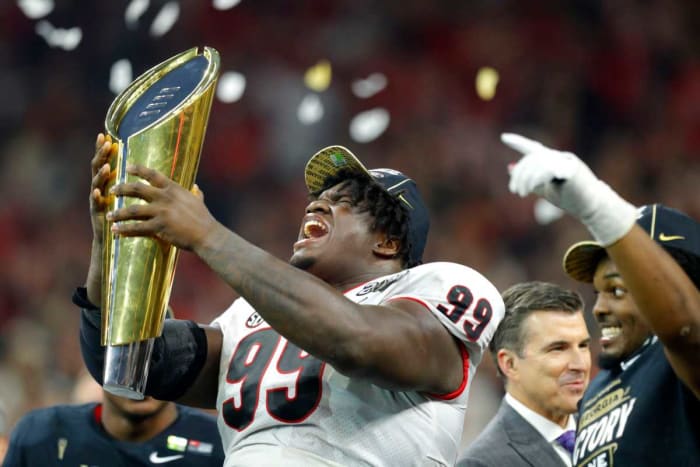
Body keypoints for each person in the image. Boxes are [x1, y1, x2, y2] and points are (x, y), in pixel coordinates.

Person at [76, 134, 505, 466]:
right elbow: (128, 366)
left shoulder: (438, 283)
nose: (318, 204)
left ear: (389, 243)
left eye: (345, 203)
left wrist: (207, 234)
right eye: (319, 198)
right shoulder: (251, 311)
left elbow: (357, 342)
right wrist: (113, 247)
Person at [502, 133, 700, 467]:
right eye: (598, 292)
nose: (598, 308)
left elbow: (684, 327)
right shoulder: (597, 389)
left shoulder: (683, 362)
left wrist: (598, 208)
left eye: (618, 290)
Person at [458, 281, 590, 467]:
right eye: (558, 348)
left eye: (583, 345)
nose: (580, 364)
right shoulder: (483, 463)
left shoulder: (609, 430)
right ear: (510, 364)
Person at [3, 385, 224, 466]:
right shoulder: (43, 436)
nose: (140, 378)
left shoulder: (219, 445)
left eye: (157, 358)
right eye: (125, 357)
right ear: (98, 362)